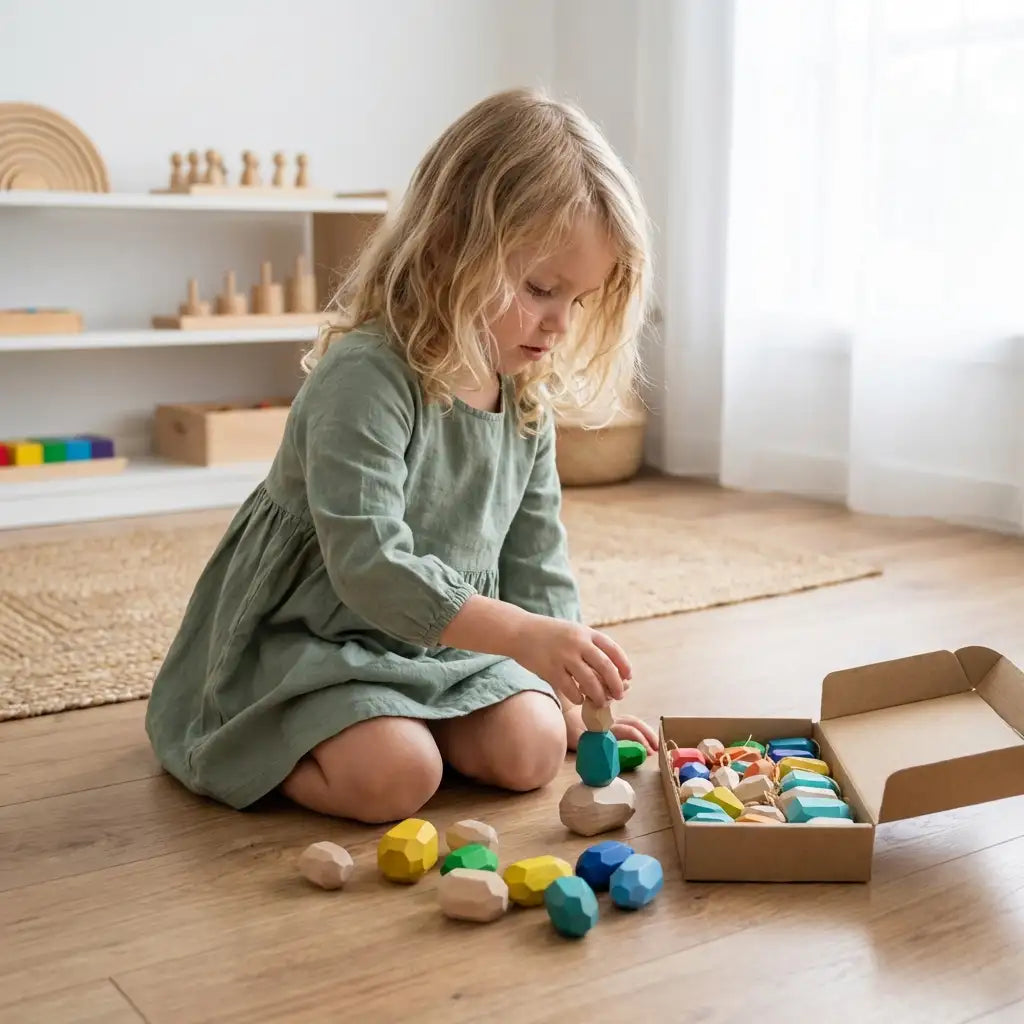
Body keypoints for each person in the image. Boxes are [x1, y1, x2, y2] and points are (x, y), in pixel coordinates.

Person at [145, 87, 658, 825]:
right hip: (325, 636)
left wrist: (572, 691)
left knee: (535, 749)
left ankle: (420, 721)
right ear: (453, 244)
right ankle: (284, 745)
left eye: (577, 302)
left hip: (449, 644)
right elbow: (369, 565)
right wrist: (520, 637)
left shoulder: (525, 397)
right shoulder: (367, 374)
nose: (558, 325)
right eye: (542, 289)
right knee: (396, 776)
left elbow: (537, 558)